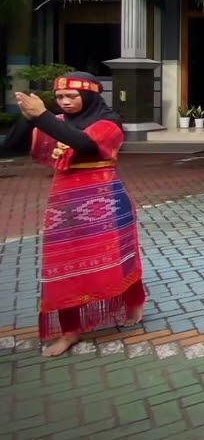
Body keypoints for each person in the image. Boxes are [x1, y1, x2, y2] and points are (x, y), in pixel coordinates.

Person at [1, 73, 145, 357]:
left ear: (89, 96)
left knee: (121, 257)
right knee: (62, 267)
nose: (64, 102)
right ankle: (69, 331)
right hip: (64, 203)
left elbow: (84, 144)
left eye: (72, 97)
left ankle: (133, 300)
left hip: (106, 200)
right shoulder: (56, 123)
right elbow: (12, 146)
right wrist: (28, 116)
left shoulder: (108, 123)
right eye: (60, 97)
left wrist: (43, 116)